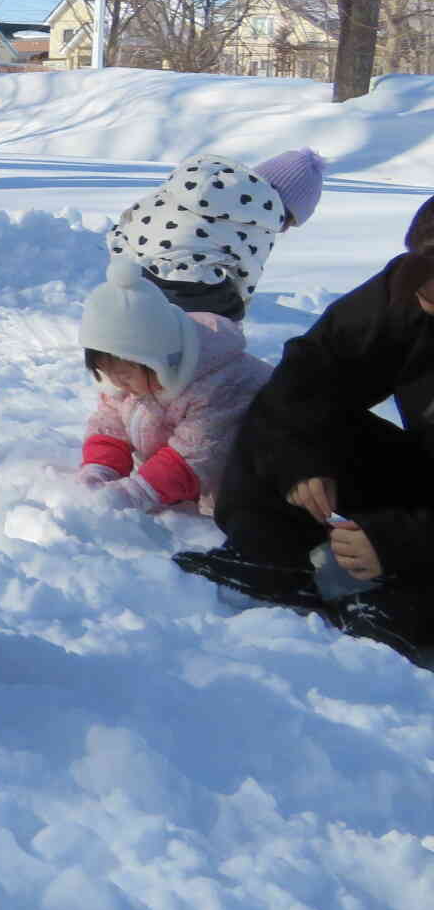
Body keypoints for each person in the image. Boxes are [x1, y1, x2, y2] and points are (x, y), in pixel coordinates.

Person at [174, 195, 434, 663]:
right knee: (288, 412)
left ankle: (407, 603)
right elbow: (310, 372)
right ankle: (272, 553)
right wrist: (302, 462)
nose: (427, 299)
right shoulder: (411, 286)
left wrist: (404, 542)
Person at [74, 256, 272, 512]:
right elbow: (111, 422)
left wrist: (137, 493)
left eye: (125, 374)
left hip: (264, 480)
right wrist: (100, 469)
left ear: (159, 360)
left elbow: (197, 454)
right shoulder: (130, 380)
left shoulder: (218, 384)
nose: (117, 383)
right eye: (108, 373)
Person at [105, 147, 325, 319]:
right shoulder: (264, 217)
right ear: (286, 210)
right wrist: (238, 309)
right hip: (177, 285)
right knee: (229, 309)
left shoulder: (203, 182)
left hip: (125, 260)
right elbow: (246, 275)